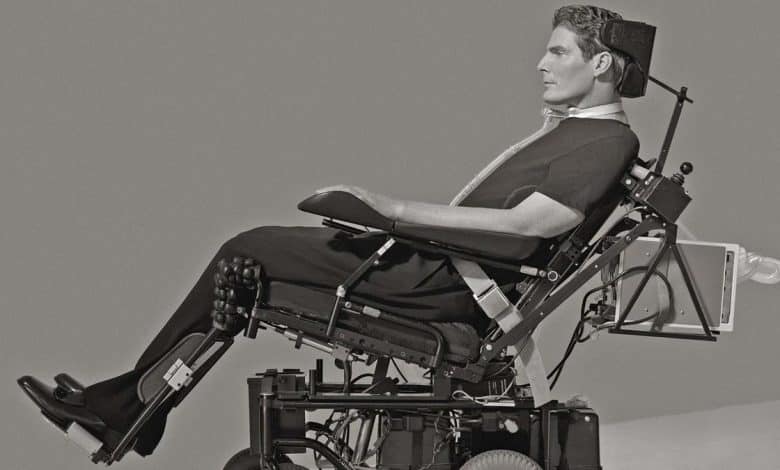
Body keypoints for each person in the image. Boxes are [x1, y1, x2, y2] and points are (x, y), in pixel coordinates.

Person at [18, 4, 640, 459]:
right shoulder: (573, 132)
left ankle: (129, 410)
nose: (540, 62)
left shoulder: (608, 139)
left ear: (603, 63)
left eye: (558, 51)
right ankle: (136, 407)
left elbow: (533, 226)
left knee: (248, 251)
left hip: (443, 282)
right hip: (435, 268)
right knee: (246, 266)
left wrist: (393, 210)